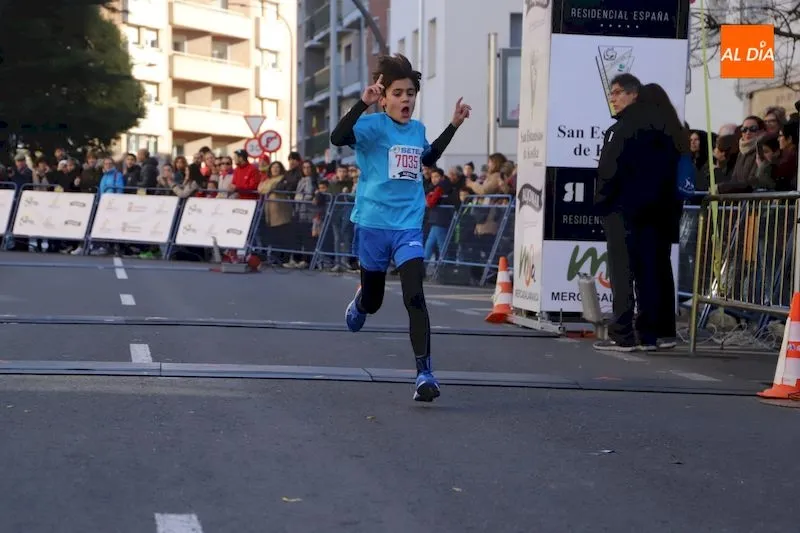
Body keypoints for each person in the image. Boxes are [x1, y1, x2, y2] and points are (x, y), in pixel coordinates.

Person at [330, 53, 471, 402]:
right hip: (374, 224)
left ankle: (425, 373)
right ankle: (362, 301)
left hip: (408, 223)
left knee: (414, 296)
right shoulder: (371, 127)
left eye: (410, 93)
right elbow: (337, 137)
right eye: (397, 93)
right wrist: (361, 105)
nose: (406, 99)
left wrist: (453, 125)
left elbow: (427, 158)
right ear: (384, 96)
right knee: (376, 300)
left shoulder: (418, 129)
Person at [593, 74, 681, 353]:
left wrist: (602, 201)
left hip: (623, 210)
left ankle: (622, 333)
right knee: (648, 273)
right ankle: (649, 334)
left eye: (618, 93)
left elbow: (609, 168)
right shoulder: (665, 129)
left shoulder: (625, 127)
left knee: (622, 272)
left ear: (634, 94)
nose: (613, 99)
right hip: (654, 212)